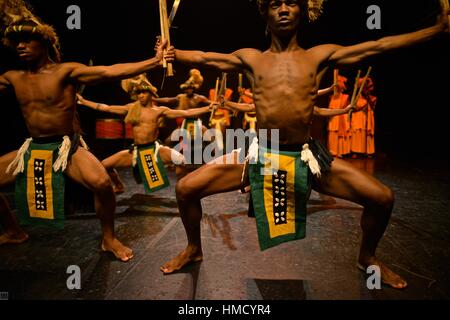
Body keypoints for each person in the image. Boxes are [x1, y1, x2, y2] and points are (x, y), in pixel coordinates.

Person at [159, 0, 449, 289]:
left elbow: (379, 45)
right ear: (265, 12)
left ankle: (367, 256)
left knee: (382, 198)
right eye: (275, 4)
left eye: (291, 3)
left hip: (306, 156)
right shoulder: (251, 58)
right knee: (185, 189)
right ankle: (194, 248)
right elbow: (206, 58)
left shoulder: (319, 56)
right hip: (261, 153)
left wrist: (436, 30)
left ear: (303, 11)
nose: (283, 10)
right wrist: (174, 53)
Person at [0, 1, 174, 262]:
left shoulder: (66, 71)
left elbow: (109, 71)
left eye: (27, 40)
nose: (21, 46)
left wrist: (155, 60)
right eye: (17, 42)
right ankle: (14, 231)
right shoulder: (12, 76)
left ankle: (109, 239)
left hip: (65, 148)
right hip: (34, 147)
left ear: (45, 42)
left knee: (102, 184)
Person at [76, 74, 213, 194]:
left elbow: (186, 113)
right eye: (138, 93)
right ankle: (119, 186)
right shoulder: (131, 108)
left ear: (151, 94)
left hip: (154, 149)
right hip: (136, 151)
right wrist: (83, 101)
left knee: (181, 160)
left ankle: (183, 188)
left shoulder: (159, 111)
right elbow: (106, 107)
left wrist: (208, 107)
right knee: (104, 165)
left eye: (144, 92)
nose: (141, 96)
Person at [350, 77, 377, 158]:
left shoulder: (372, 98)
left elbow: (372, 107)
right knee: (358, 134)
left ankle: (368, 151)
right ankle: (356, 151)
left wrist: (368, 97)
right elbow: (353, 108)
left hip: (367, 117)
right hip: (358, 117)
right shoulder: (357, 98)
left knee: (367, 135)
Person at [327, 75, 351, 158]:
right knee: (333, 133)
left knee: (339, 134)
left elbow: (346, 108)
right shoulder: (331, 97)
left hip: (341, 117)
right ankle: (333, 151)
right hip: (333, 117)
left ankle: (340, 151)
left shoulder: (345, 97)